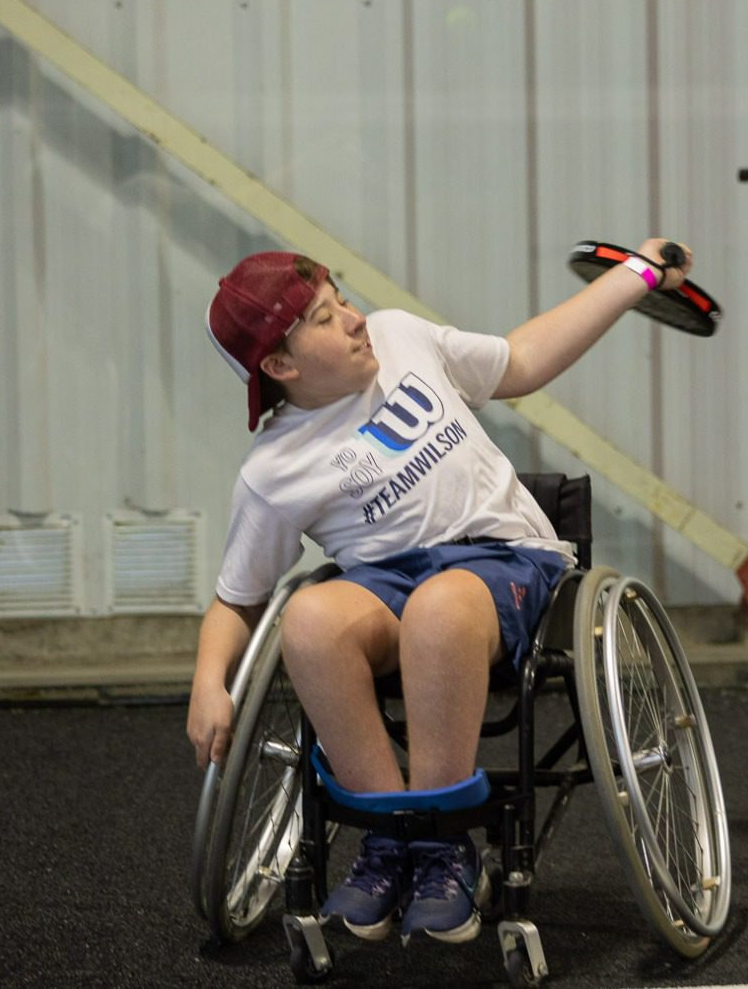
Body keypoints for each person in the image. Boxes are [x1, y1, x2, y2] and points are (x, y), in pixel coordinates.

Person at [185, 240, 689, 945]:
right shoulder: (273, 470)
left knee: (440, 606)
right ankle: (392, 842)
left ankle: (445, 843)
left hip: (504, 561)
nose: (356, 320)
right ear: (281, 366)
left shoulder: (400, 337)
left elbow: (522, 361)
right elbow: (238, 600)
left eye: (343, 302)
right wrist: (211, 683)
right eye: (328, 320)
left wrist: (634, 274)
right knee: (306, 618)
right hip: (384, 585)